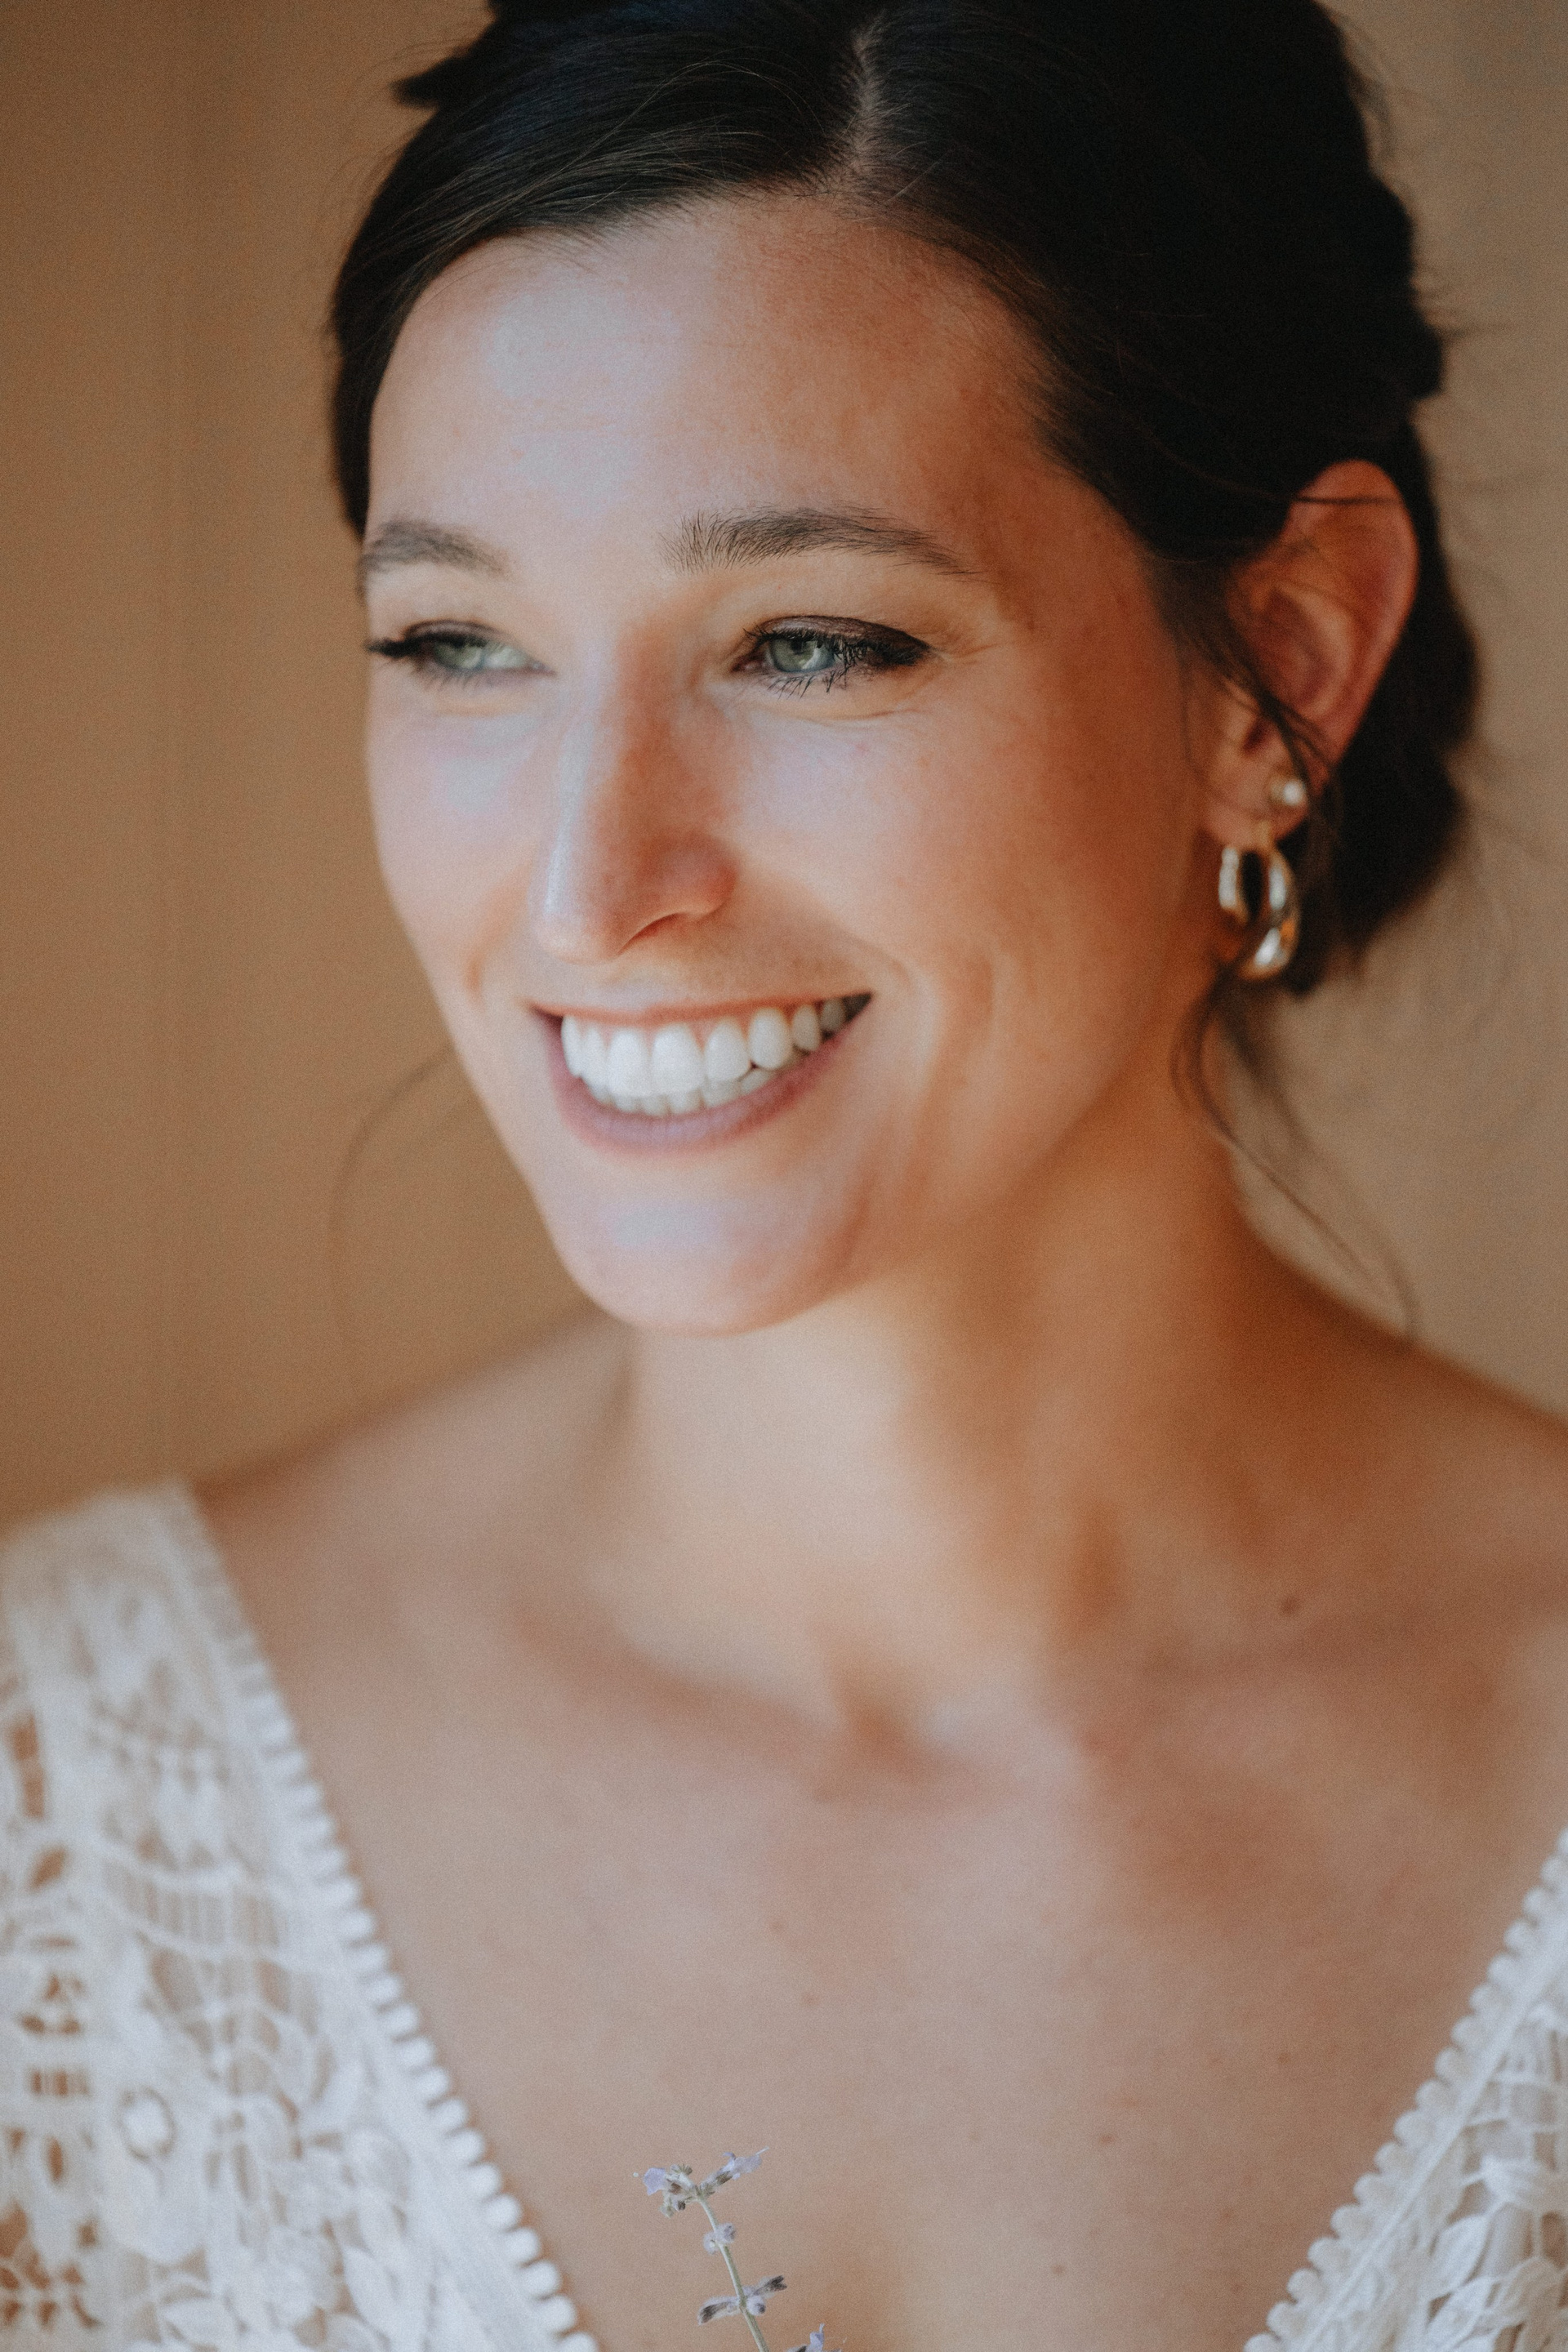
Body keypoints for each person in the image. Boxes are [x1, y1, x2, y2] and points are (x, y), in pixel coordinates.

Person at [6, 1, 1567, 2345]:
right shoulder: (51, 1821)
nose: (585, 888)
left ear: (1286, 660)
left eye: (812, 642)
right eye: (459, 643)